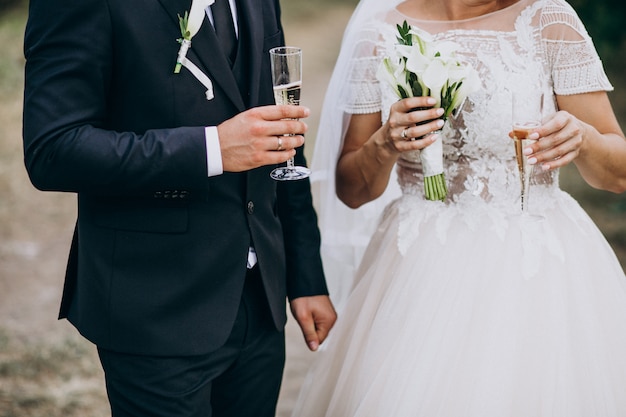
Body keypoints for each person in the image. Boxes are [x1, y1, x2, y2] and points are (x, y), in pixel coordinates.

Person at [293, 0, 626, 415]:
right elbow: (353, 191)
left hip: (536, 264)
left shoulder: (549, 19)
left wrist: (585, 140)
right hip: (417, 268)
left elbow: (617, 174)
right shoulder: (378, 32)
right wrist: (385, 143)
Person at [22, 0, 336, 416]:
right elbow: (53, 149)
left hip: (260, 306)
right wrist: (212, 149)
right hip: (155, 309)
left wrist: (305, 275)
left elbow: (281, 130)